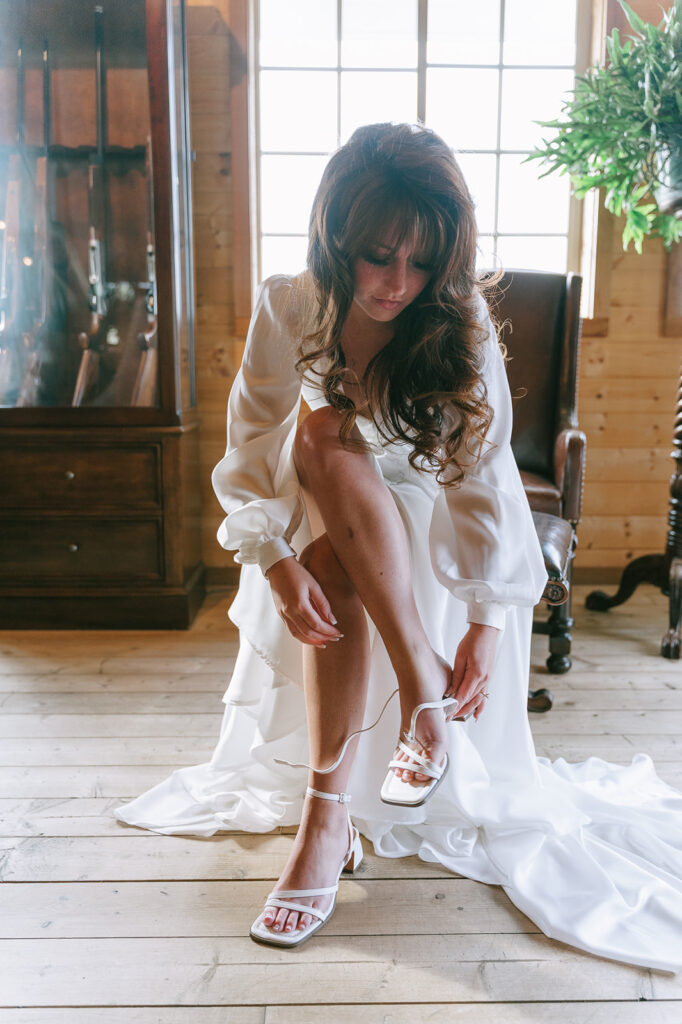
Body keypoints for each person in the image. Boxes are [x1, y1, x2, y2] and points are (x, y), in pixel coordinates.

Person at [115, 122, 682, 971]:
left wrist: (490, 623)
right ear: (336, 237)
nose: (395, 284)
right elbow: (248, 441)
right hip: (324, 505)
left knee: (333, 548)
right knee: (319, 443)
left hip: (431, 529)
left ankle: (324, 818)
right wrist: (271, 562)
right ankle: (418, 701)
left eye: (421, 264)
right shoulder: (290, 303)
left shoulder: (459, 325)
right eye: (378, 256)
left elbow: (485, 478)